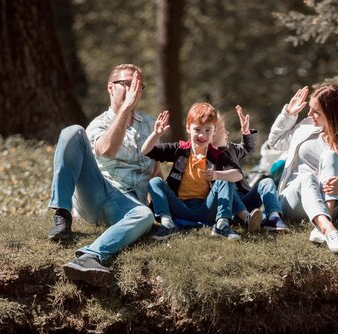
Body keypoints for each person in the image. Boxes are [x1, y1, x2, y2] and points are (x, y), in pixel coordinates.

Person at [47, 63, 156, 286]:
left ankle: (90, 256)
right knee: (71, 132)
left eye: (137, 85)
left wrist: (165, 211)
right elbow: (107, 150)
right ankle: (62, 213)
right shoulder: (99, 123)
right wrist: (125, 109)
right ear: (110, 88)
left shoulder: (151, 124)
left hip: (128, 203)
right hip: (98, 193)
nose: (132, 90)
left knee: (144, 216)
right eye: (126, 84)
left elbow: (155, 170)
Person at [267, 84, 338, 253]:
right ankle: (328, 229)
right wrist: (288, 114)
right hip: (293, 201)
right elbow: (274, 143)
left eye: (316, 112)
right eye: (310, 109)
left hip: (331, 202)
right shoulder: (305, 128)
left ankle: (322, 220)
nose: (309, 114)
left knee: (331, 156)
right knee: (307, 177)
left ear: (332, 114)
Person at [143, 103, 243, 241]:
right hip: (179, 207)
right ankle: (167, 224)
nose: (202, 135)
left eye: (208, 130)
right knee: (155, 182)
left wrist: (216, 174)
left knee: (226, 178)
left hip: (206, 208)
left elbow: (238, 175)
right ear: (188, 128)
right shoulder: (179, 149)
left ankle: (222, 225)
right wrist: (156, 134)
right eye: (197, 129)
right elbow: (146, 151)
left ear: (214, 131)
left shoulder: (217, 155)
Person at [212, 106, 289, 233]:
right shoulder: (206, 156)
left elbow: (247, 149)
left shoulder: (230, 148)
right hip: (229, 205)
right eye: (223, 130)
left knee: (267, 182)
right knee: (227, 182)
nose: (228, 133)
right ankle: (246, 219)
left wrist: (246, 133)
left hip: (246, 199)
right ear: (212, 134)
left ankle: (274, 218)